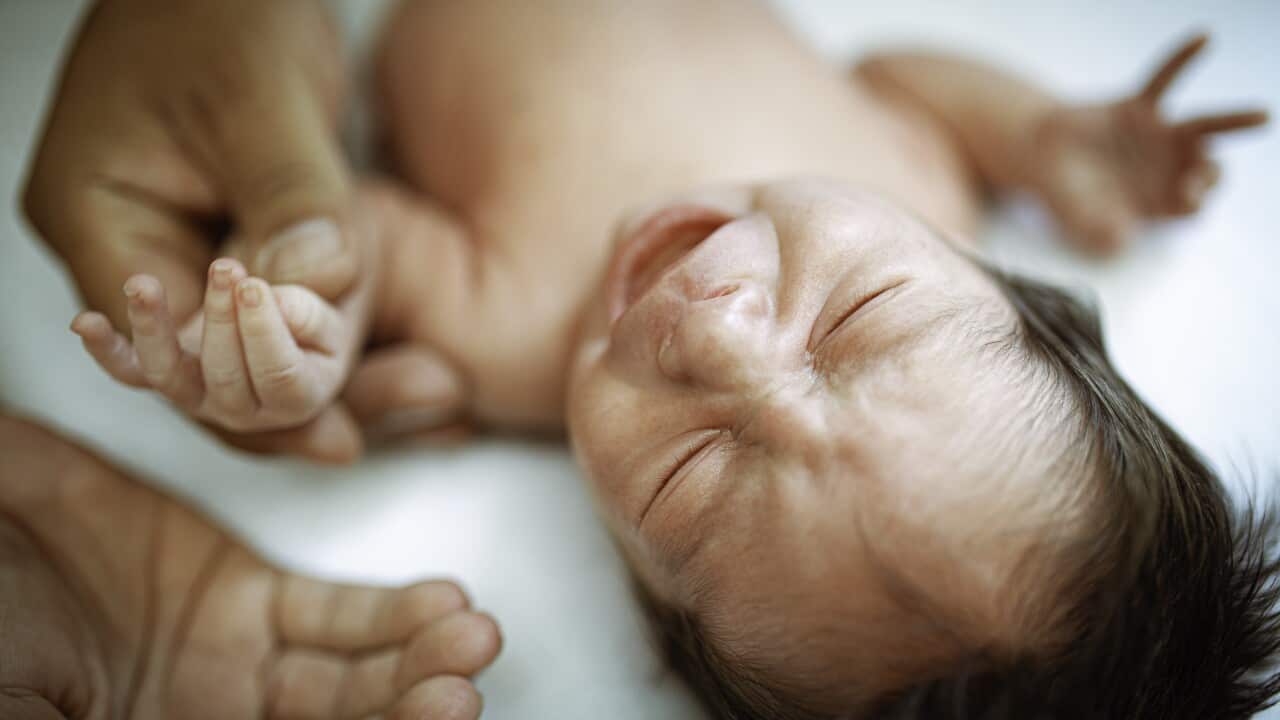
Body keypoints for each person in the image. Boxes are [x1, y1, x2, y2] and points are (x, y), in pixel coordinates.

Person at [17, 1, 1277, 718]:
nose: (709, 326)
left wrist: (281, 338)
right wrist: (1037, 132)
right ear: (1007, 279)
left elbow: (349, 246)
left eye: (687, 477)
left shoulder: (507, 334)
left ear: (642, 595)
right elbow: (894, 74)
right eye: (861, 313)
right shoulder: (920, 176)